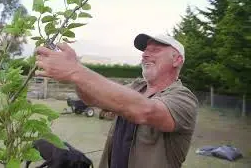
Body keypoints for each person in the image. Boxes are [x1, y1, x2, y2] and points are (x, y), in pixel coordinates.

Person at [35, 33, 199, 168]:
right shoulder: (137, 87)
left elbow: (145, 111)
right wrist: (76, 75)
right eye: (145, 51)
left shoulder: (183, 98)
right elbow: (93, 99)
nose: (145, 54)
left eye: (155, 50)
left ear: (177, 60)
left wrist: (74, 70)